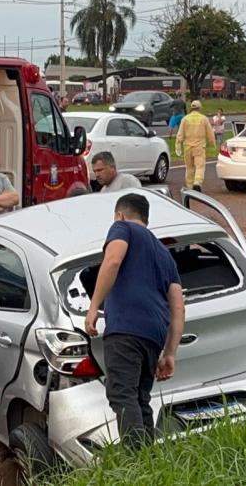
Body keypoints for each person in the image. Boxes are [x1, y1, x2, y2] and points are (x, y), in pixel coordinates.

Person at [84, 194, 185, 449]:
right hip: (155, 333)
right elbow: (178, 307)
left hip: (126, 327)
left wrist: (94, 306)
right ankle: (149, 461)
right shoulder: (165, 254)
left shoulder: (122, 227)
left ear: (120, 214)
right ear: (146, 219)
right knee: (140, 398)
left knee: (122, 394)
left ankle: (136, 461)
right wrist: (170, 353)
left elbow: (113, 259)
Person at [174, 100, 215, 192]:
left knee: (189, 167)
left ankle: (189, 186)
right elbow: (210, 133)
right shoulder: (203, 119)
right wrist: (213, 143)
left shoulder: (185, 119)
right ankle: (197, 182)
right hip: (199, 147)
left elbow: (180, 134)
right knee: (200, 166)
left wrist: (178, 145)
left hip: (187, 147)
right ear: (199, 108)